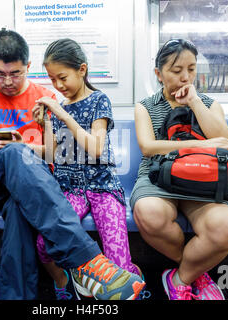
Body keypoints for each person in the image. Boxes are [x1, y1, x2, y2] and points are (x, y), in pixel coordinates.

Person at [0, 29, 145, 300]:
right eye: (0, 74)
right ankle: (88, 259)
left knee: (19, 204)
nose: (8, 81)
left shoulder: (46, 99)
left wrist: (31, 137)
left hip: (28, 190)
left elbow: (53, 153)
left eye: (16, 73)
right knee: (14, 154)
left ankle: (15, 296)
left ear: (28, 67)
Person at [32, 38, 145, 300]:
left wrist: (62, 115)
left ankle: (132, 278)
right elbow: (52, 154)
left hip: (102, 187)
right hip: (70, 189)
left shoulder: (99, 101)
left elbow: (95, 148)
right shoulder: (59, 109)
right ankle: (64, 283)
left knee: (118, 262)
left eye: (63, 77)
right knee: (44, 245)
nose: (58, 86)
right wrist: (46, 123)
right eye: (52, 80)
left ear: (81, 70)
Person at [131, 39, 228, 300]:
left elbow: (226, 142)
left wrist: (195, 103)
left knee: (223, 225)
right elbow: (148, 147)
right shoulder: (145, 106)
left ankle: (179, 278)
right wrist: (204, 144)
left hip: (200, 179)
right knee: (149, 213)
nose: (185, 77)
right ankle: (198, 275)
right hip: (156, 178)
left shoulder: (209, 104)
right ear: (159, 74)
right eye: (176, 70)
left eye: (191, 69)